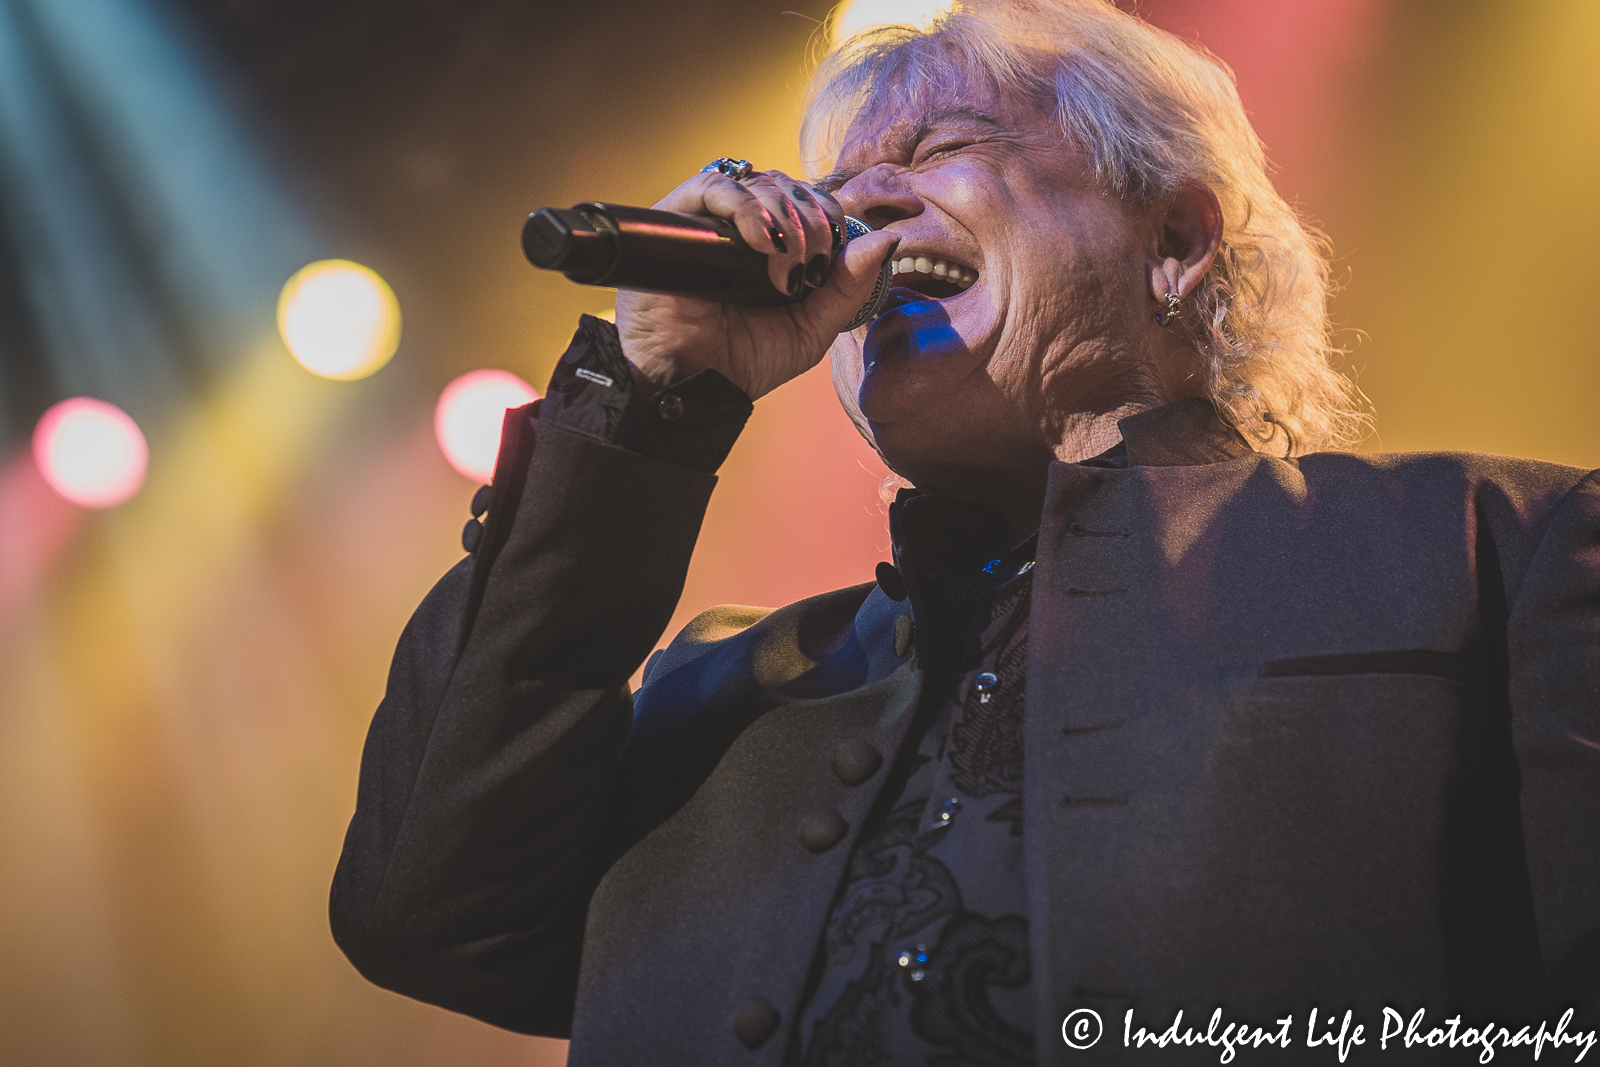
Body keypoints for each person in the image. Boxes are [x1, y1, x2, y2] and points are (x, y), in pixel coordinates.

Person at [329, 1, 1600, 1063]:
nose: (854, 216)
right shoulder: (726, 687)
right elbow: (424, 912)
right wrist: (655, 401)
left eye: (937, 146)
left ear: (1176, 239)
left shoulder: (1499, 550)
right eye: (829, 189)